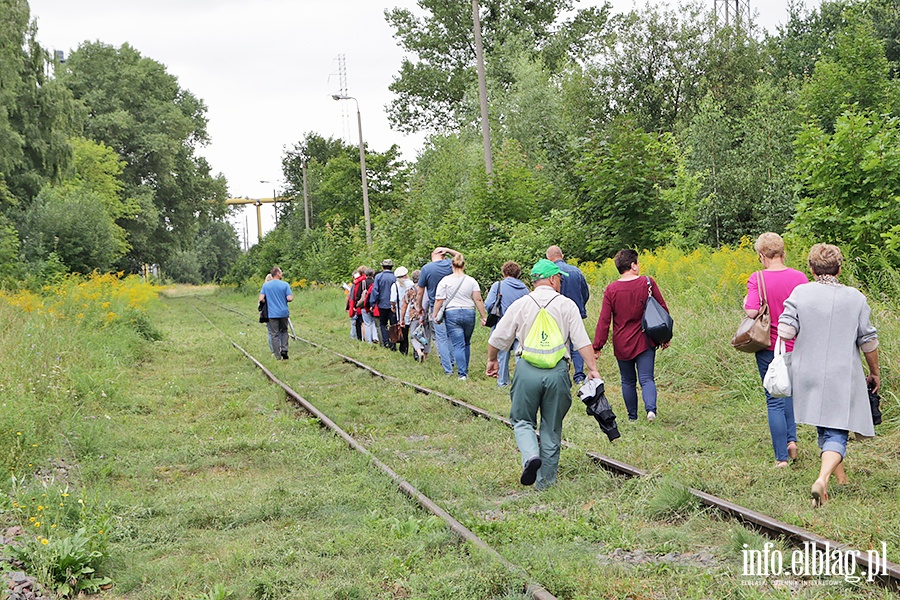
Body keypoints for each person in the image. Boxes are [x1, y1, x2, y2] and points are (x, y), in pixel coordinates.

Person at [778, 244, 879, 507]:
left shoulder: (801, 292)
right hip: (841, 372)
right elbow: (868, 340)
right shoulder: (855, 297)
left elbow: (786, 331)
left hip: (807, 369)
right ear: (839, 268)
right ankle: (822, 479)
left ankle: (840, 476)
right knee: (837, 430)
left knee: (825, 422)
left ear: (811, 269)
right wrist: (874, 372)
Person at [487, 259, 601, 489]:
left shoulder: (520, 304)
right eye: (559, 278)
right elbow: (582, 341)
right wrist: (592, 369)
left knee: (521, 420)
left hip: (527, 369)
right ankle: (545, 483)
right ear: (551, 279)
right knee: (551, 427)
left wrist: (492, 360)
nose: (560, 282)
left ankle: (530, 456)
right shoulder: (567, 305)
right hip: (557, 371)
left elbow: (498, 338)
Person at [743, 233, 809, 467]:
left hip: (769, 345)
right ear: (782, 252)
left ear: (762, 255)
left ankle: (781, 457)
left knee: (773, 398)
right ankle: (792, 441)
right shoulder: (800, 277)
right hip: (796, 344)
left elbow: (751, 312)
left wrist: (746, 302)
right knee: (789, 392)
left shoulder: (757, 278)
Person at [592, 249, 669, 422]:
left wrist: (597, 345)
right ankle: (651, 410)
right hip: (645, 338)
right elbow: (662, 310)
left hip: (621, 342)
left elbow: (604, 320)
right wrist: (665, 337)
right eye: (637, 263)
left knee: (627, 381)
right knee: (647, 378)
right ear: (633, 265)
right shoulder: (648, 283)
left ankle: (632, 417)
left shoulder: (611, 289)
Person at [432, 254, 487, 380]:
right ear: (464, 265)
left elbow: (439, 300)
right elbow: (478, 299)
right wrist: (483, 316)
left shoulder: (445, 281)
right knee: (466, 343)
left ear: (452, 265)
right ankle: (465, 369)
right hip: (469, 312)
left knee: (458, 344)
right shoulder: (471, 281)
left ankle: (462, 374)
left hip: (452, 313)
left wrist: (435, 314)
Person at [547, 245, 591, 384]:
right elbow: (585, 292)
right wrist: (580, 306)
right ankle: (579, 376)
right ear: (562, 255)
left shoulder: (550, 274)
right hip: (575, 312)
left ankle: (562, 374)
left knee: (558, 343)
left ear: (548, 258)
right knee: (577, 343)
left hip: (556, 314)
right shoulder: (576, 271)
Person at [484, 261, 529, 387]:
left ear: (504, 272)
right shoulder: (525, 289)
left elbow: (488, 304)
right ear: (518, 274)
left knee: (502, 354)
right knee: (520, 354)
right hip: (520, 326)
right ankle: (521, 381)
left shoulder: (498, 285)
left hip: (502, 324)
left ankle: (502, 381)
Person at [417, 246, 460, 375]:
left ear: (433, 254)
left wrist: (419, 307)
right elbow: (460, 256)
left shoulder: (426, 268)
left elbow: (420, 292)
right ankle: (452, 361)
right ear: (443, 254)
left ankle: (447, 367)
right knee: (451, 335)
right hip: (452, 305)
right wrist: (447, 249)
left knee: (441, 337)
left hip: (435, 306)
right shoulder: (450, 264)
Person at [259, 267, 293, 360]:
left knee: (274, 334)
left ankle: (277, 355)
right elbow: (290, 298)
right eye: (281, 272)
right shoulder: (285, 284)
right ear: (277, 273)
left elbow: (261, 298)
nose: (281, 274)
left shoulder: (266, 286)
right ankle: (284, 350)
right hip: (283, 313)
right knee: (284, 331)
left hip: (272, 313)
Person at [371, 259, 398, 350]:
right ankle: (393, 343)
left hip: (382, 304)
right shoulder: (395, 276)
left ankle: (386, 341)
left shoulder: (378, 277)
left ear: (382, 267)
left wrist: (373, 303)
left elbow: (375, 291)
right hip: (394, 305)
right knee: (393, 324)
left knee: (383, 323)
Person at [391, 266, 415, 355]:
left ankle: (403, 351)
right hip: (412, 311)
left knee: (403, 333)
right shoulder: (411, 284)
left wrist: (393, 307)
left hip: (401, 312)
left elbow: (393, 300)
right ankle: (417, 350)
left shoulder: (395, 285)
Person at [348, 267, 367, 341]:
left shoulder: (357, 282)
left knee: (360, 323)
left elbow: (353, 296)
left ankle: (360, 338)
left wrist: (352, 306)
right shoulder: (370, 280)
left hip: (359, 305)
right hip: (367, 304)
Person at [360, 267, 378, 343]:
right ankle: (375, 337)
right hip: (373, 305)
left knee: (367, 323)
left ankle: (368, 341)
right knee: (373, 322)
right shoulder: (375, 282)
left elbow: (359, 294)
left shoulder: (363, 282)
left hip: (364, 305)